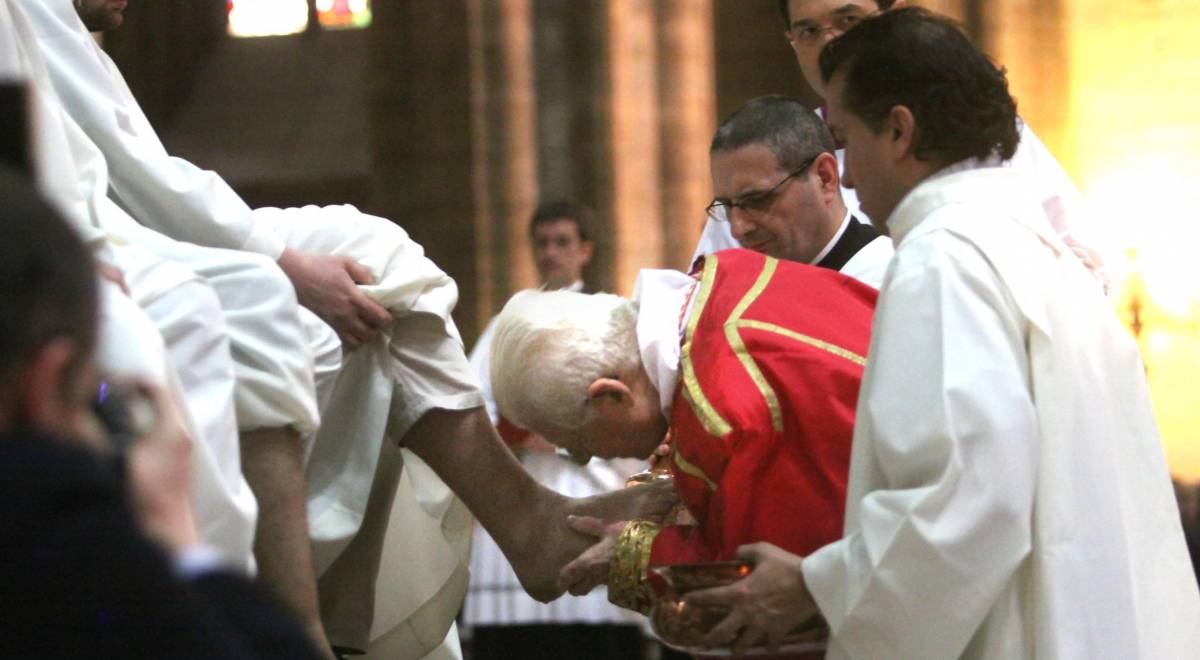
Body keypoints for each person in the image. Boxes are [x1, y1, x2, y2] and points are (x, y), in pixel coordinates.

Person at [22, 3, 681, 656]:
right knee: (251, 300)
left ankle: (526, 517)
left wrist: (287, 258)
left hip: (127, 229)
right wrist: (284, 263)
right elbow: (115, 178)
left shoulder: (71, 31)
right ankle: (295, 626)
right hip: (73, 242)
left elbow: (140, 166)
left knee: (380, 259)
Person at [685, 10, 1200, 658]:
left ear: (898, 130)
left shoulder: (942, 259)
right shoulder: (1042, 252)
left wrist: (814, 584)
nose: (844, 175)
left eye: (845, 140)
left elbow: (968, 503)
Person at [0, 164, 324, 660]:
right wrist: (175, 532)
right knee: (180, 312)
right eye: (88, 398)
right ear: (43, 386)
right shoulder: (59, 541)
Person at [488, 249, 874, 640]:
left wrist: (634, 556)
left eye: (576, 442)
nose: (585, 458)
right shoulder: (729, 273)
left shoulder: (721, 413)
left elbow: (766, 583)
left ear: (612, 396)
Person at [0, 0, 261, 580]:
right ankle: (193, 576)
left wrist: (73, 245)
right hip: (30, 261)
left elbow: (51, 158)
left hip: (43, 242)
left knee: (223, 300)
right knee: (174, 319)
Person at [693, 0, 1099, 279]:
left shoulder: (977, 131)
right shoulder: (765, 154)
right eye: (809, 31)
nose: (830, 44)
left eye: (848, 21)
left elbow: (1085, 262)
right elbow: (709, 295)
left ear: (895, 16)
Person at [463, 200, 648, 660]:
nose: (551, 253)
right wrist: (523, 429)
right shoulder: (507, 328)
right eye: (542, 243)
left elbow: (639, 413)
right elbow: (470, 407)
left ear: (585, 249)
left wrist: (565, 431)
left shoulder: (613, 317)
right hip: (523, 490)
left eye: (562, 241)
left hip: (595, 489)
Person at [707, 95, 891, 287]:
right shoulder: (745, 293)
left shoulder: (888, 284)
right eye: (727, 206)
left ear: (825, 177)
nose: (738, 229)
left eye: (757, 200)